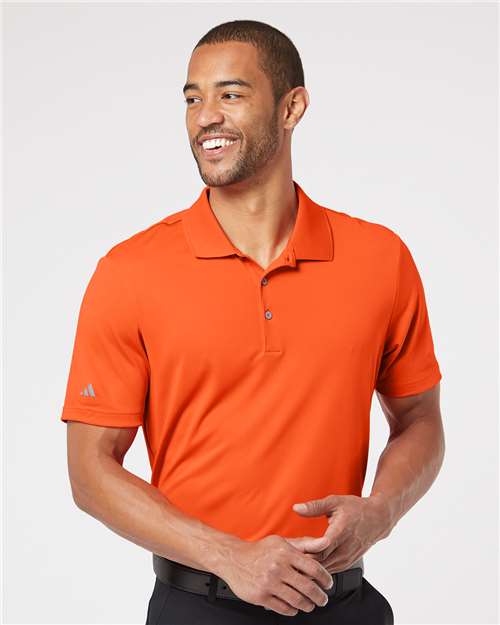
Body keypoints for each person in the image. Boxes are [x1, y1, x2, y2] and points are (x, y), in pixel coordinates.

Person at [60, 19, 444, 625]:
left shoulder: (380, 258)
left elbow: (420, 419)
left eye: (231, 94)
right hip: (199, 607)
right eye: (193, 99)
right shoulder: (130, 271)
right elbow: (89, 471)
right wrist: (228, 555)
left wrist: (382, 511)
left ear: (292, 108)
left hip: (344, 602)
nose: (206, 117)